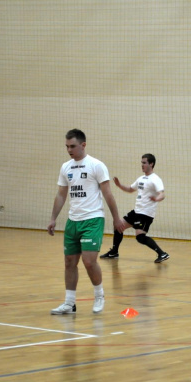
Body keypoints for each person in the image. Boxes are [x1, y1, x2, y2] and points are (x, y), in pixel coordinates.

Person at [47, 129, 125, 315]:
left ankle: (99, 295)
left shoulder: (96, 165)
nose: (69, 150)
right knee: (69, 262)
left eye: (72, 146)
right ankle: (69, 303)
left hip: (93, 219)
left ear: (83, 145)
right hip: (73, 221)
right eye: (67, 146)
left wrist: (116, 218)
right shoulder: (66, 167)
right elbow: (61, 194)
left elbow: (107, 193)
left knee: (89, 261)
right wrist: (53, 218)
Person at [100, 153, 170, 263]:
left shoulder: (155, 179)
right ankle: (114, 251)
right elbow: (130, 189)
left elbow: (162, 194)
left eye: (144, 163)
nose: (142, 165)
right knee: (118, 226)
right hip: (137, 211)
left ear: (151, 164)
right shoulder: (141, 178)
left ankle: (162, 253)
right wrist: (120, 185)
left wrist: (156, 199)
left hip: (146, 213)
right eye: (141, 163)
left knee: (140, 237)